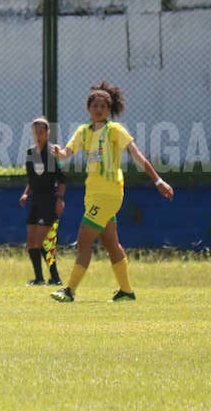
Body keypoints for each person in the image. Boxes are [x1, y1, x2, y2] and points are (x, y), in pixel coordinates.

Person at [50, 81, 174, 303]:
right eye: (95, 105)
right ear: (88, 108)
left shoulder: (114, 131)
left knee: (83, 240)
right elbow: (68, 152)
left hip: (109, 194)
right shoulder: (83, 132)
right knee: (110, 243)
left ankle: (69, 290)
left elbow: (138, 156)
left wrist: (158, 180)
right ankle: (126, 291)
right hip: (93, 195)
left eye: (103, 106)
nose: (99, 109)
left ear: (109, 110)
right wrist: (59, 152)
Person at [19, 116, 65, 286]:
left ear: (47, 133)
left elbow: (62, 180)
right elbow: (31, 179)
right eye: (35, 132)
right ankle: (39, 278)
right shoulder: (31, 153)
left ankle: (55, 277)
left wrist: (59, 199)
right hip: (35, 200)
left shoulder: (52, 153)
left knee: (43, 241)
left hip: (49, 200)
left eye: (41, 132)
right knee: (31, 240)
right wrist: (26, 194)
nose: (38, 135)